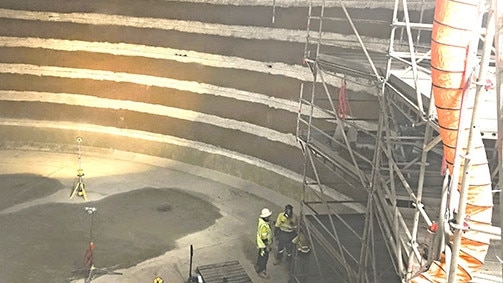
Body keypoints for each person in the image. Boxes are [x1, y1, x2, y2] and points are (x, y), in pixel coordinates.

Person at [256, 208, 273, 279]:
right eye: (268, 216)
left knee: (260, 256)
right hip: (263, 245)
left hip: (261, 245)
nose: (269, 217)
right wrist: (267, 246)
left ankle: (258, 266)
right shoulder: (264, 226)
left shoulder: (262, 222)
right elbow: (264, 237)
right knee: (264, 258)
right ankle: (261, 271)